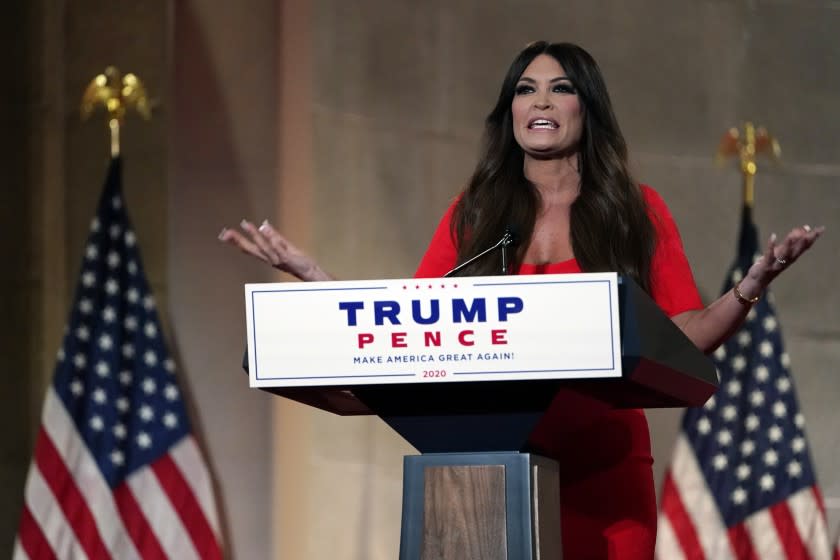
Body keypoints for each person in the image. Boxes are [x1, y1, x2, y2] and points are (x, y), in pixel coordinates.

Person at [219, 41, 823, 559]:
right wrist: (314, 277)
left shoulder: (636, 211)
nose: (539, 102)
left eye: (559, 89)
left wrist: (750, 287)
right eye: (525, 89)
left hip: (603, 474)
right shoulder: (475, 215)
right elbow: (408, 330)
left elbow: (684, 332)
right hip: (484, 474)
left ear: (587, 107)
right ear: (509, 110)